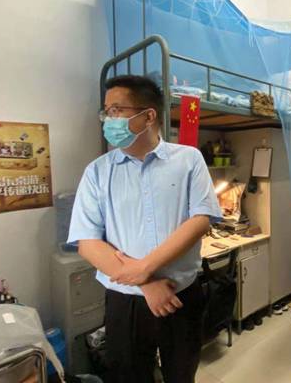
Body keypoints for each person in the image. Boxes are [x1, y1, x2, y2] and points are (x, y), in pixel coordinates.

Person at [67, 75, 221, 383]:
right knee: (128, 376)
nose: (108, 119)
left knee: (182, 374)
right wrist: (146, 283)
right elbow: (87, 241)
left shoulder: (188, 159)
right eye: (106, 112)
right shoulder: (97, 172)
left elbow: (201, 219)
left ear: (148, 116)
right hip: (125, 302)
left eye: (116, 110)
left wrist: (144, 268)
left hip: (180, 294)